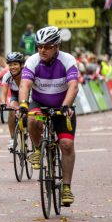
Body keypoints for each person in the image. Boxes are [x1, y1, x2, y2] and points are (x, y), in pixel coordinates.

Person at [18, 26, 79, 206]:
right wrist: (22, 103)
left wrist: (66, 106)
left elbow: (73, 86)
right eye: (39, 46)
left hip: (63, 105)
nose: (42, 50)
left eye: (47, 46)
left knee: (66, 144)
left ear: (57, 46)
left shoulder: (68, 60)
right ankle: (37, 149)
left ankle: (66, 188)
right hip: (40, 104)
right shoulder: (32, 61)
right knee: (31, 118)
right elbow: (25, 85)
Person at [0, 52, 25, 149]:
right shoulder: (7, 76)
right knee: (11, 111)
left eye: (15, 64)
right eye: (10, 65)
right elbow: (3, 92)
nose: (12, 67)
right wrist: (2, 103)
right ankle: (12, 138)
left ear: (21, 65)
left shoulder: (27, 74)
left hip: (29, 94)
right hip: (16, 94)